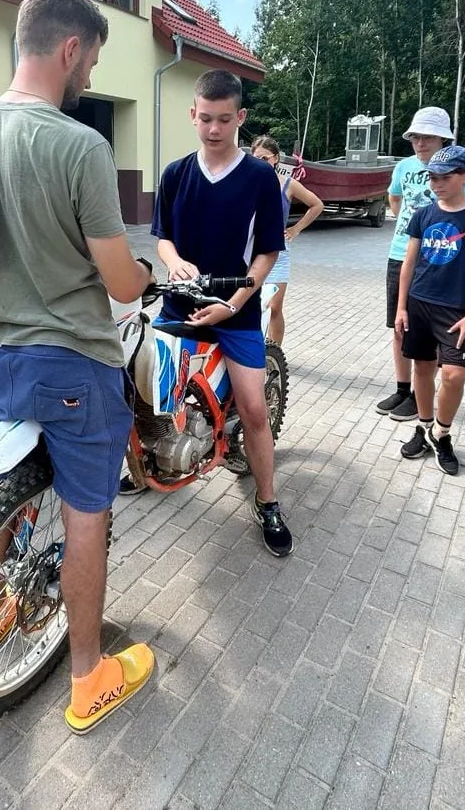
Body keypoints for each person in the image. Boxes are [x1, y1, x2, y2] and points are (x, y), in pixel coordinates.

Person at [0, 0, 156, 734]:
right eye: (93, 60)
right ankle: (86, 677)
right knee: (85, 516)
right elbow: (118, 281)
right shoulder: (78, 144)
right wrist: (146, 276)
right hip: (74, 363)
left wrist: (10, 292)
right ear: (69, 48)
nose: (91, 78)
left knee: (6, 484)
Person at [145, 70, 293, 560]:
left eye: (224, 119)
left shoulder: (260, 180)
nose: (213, 129)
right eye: (205, 118)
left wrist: (234, 303)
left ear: (240, 118)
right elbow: (163, 237)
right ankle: (147, 466)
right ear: (192, 114)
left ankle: (268, 500)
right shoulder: (174, 174)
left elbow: (268, 252)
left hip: (235, 313)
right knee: (145, 395)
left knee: (253, 409)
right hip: (177, 307)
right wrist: (173, 262)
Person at [376, 107, 465, 422]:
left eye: (428, 137)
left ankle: (426, 396)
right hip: (403, 254)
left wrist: (464, 240)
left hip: (442, 259)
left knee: (438, 332)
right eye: (415, 137)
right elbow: (396, 200)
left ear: (444, 139)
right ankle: (402, 388)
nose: (420, 143)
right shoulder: (404, 167)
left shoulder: (463, 170)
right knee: (400, 326)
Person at [394, 145, 465, 476]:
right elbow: (409, 263)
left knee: (453, 374)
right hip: (419, 303)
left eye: (445, 177)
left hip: (455, 310)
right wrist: (401, 307)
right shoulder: (424, 214)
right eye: (433, 178)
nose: (437, 184)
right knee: (422, 371)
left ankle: (442, 432)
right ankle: (423, 428)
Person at [250, 135, 324, 345]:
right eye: (256, 158)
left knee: (274, 307)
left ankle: (275, 354)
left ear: (276, 159)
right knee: (251, 305)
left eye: (265, 158)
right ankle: (252, 351)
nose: (261, 163)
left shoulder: (288, 185)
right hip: (251, 254)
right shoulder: (247, 184)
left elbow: (316, 205)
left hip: (278, 253)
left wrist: (295, 229)